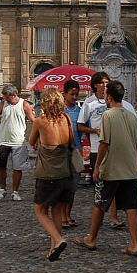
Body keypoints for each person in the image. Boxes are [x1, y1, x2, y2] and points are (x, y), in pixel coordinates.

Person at [75, 81, 137, 256]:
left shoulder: (108, 115)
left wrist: (97, 167)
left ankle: (91, 238)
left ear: (109, 97)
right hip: (129, 168)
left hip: (112, 168)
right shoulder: (131, 115)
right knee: (130, 207)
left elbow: (104, 143)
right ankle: (134, 244)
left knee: (100, 203)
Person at [77, 71, 136, 227]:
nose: (104, 85)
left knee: (115, 185)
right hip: (98, 148)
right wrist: (95, 131)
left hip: (116, 149)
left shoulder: (118, 104)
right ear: (95, 85)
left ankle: (113, 217)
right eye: (102, 82)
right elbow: (80, 125)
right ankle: (98, 222)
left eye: (107, 82)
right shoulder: (89, 103)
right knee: (101, 188)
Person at [29, 88, 77, 261]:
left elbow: (31, 142)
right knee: (57, 210)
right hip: (66, 172)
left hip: (48, 173)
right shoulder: (66, 119)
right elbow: (72, 142)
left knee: (40, 210)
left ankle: (57, 239)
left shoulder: (40, 121)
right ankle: (53, 248)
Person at [0, 84, 35, 201]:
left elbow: (33, 121)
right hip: (3, 141)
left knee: (17, 168)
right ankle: (2, 189)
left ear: (14, 95)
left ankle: (15, 191)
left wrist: (36, 139)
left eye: (6, 97)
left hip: (18, 141)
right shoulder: (2, 105)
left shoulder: (24, 104)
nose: (5, 99)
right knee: (0, 166)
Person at [62, 79, 81, 228]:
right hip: (62, 152)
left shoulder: (80, 111)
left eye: (76, 94)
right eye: (72, 94)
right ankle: (62, 216)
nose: (74, 97)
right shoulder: (60, 111)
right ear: (65, 94)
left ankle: (68, 214)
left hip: (76, 150)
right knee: (63, 185)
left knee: (73, 186)